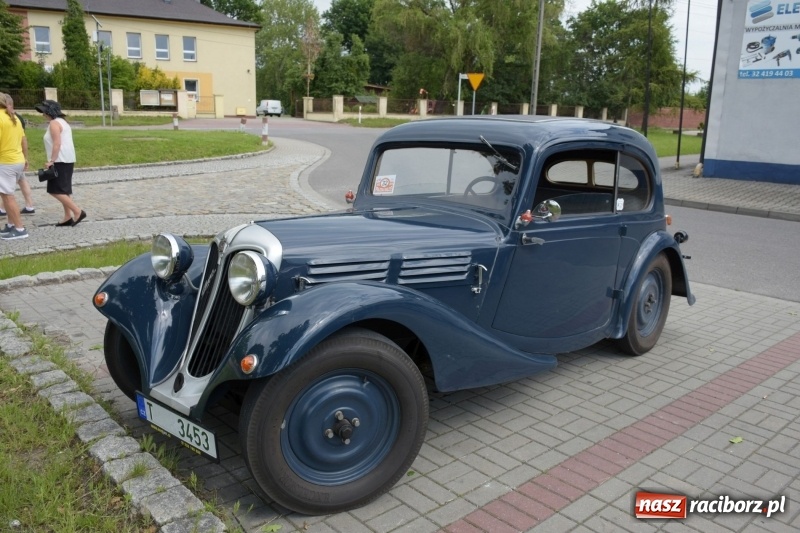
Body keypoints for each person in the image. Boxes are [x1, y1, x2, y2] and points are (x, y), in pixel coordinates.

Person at [34, 100, 85, 227]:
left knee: (55, 190)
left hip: (60, 160)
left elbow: (57, 143)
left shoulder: (54, 123)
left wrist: (51, 160)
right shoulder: (63, 122)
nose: (43, 114)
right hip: (67, 159)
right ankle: (67, 217)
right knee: (64, 190)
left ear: (50, 111)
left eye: (44, 111)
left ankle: (77, 211)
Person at [0, 93, 35, 216]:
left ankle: (14, 222)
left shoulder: (8, 118)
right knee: (19, 182)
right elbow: (23, 139)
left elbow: (22, 140)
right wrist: (25, 158)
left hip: (8, 159)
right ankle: (29, 205)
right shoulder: (16, 118)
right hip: (17, 158)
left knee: (7, 193)